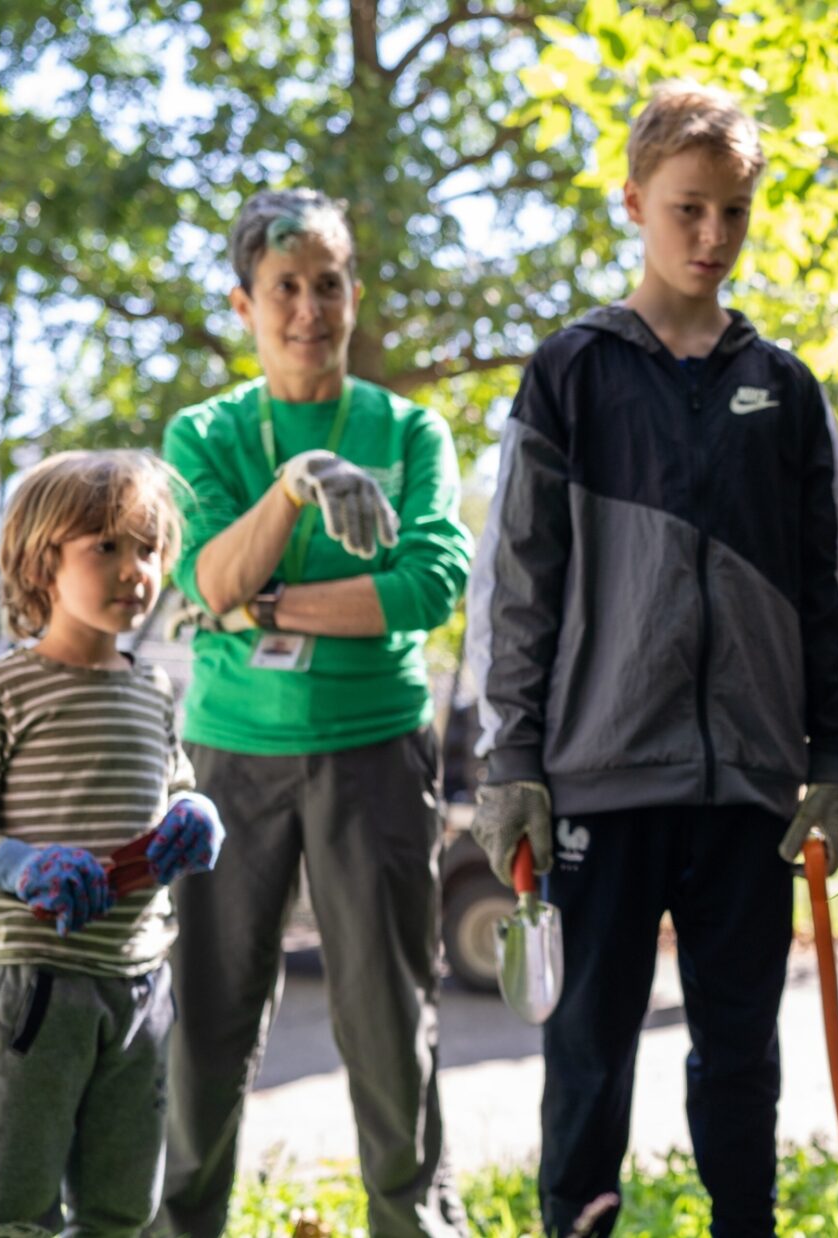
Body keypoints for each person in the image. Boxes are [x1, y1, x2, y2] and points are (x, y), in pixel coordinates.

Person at [466, 83, 838, 1238]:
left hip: (747, 787)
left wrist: (832, 760)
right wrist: (514, 761)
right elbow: (521, 582)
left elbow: (821, 586)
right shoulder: (571, 372)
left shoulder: (786, 391)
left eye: (734, 212)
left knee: (741, 1052)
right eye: (688, 209)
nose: (712, 237)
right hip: (598, 779)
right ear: (635, 202)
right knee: (587, 1056)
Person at [156, 189, 472, 1237]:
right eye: (284, 287)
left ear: (352, 291)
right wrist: (293, 484)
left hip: (374, 749)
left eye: (327, 283)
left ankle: (411, 1219)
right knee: (206, 1014)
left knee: (388, 1017)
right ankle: (186, 1218)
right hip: (229, 757)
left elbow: (430, 584)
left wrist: (269, 603)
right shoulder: (202, 432)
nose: (308, 308)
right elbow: (206, 580)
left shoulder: (409, 426)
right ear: (245, 301)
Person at [0, 450, 224, 1234]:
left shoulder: (152, 686)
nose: (134, 569)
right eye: (104, 546)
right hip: (35, 984)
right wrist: (17, 862)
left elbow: (173, 783)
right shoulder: (0, 689)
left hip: (139, 981)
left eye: (147, 548)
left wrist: (194, 810)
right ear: (43, 563)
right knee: (18, 1203)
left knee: (121, 1205)